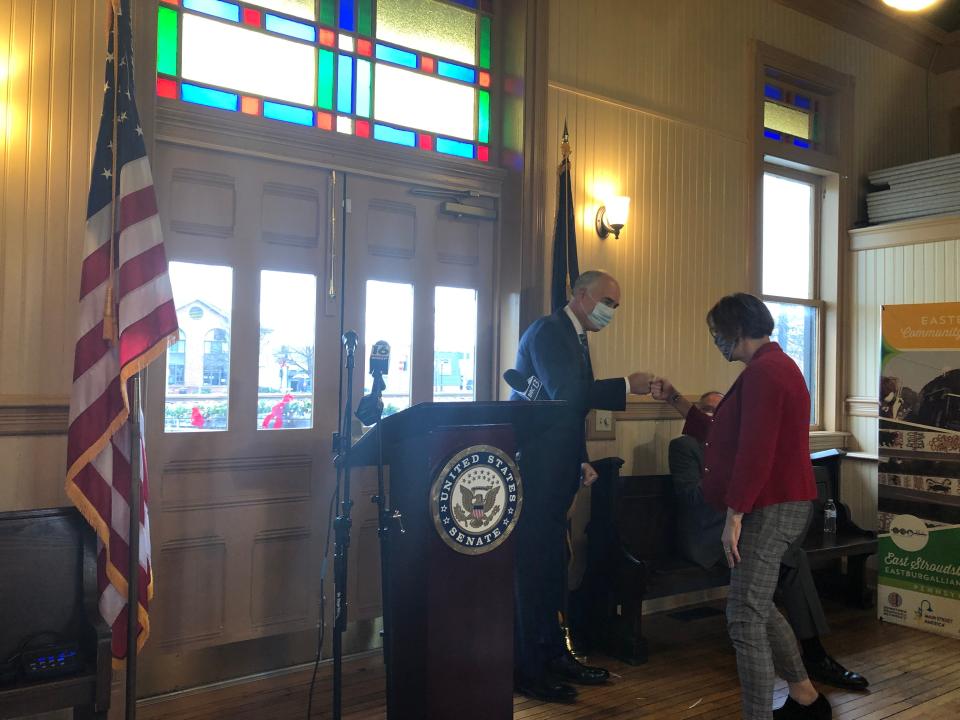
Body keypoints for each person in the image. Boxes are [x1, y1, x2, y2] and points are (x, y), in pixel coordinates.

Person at [653, 292, 831, 720]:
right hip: (775, 502)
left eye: (717, 333)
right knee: (757, 605)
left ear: (735, 330)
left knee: (743, 616)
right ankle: (806, 697)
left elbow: (756, 450)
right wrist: (676, 398)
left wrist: (734, 516)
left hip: (772, 505)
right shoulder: (772, 367)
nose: (715, 340)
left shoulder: (766, 373)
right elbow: (724, 434)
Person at [512, 270, 653, 704]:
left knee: (553, 568)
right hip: (534, 472)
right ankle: (528, 670)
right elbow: (567, 394)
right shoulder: (548, 332)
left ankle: (557, 656)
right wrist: (627, 386)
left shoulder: (576, 338)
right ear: (580, 294)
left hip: (559, 468)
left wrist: (582, 459)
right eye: (608, 301)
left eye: (616, 305)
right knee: (534, 571)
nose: (612, 311)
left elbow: (566, 415)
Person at [669, 392, 868, 691]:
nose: (714, 418)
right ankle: (807, 658)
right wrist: (730, 473)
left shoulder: (740, 446)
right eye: (707, 410)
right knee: (789, 561)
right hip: (708, 537)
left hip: (745, 530)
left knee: (792, 557)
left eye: (720, 413)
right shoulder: (685, 446)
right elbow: (690, 499)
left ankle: (810, 656)